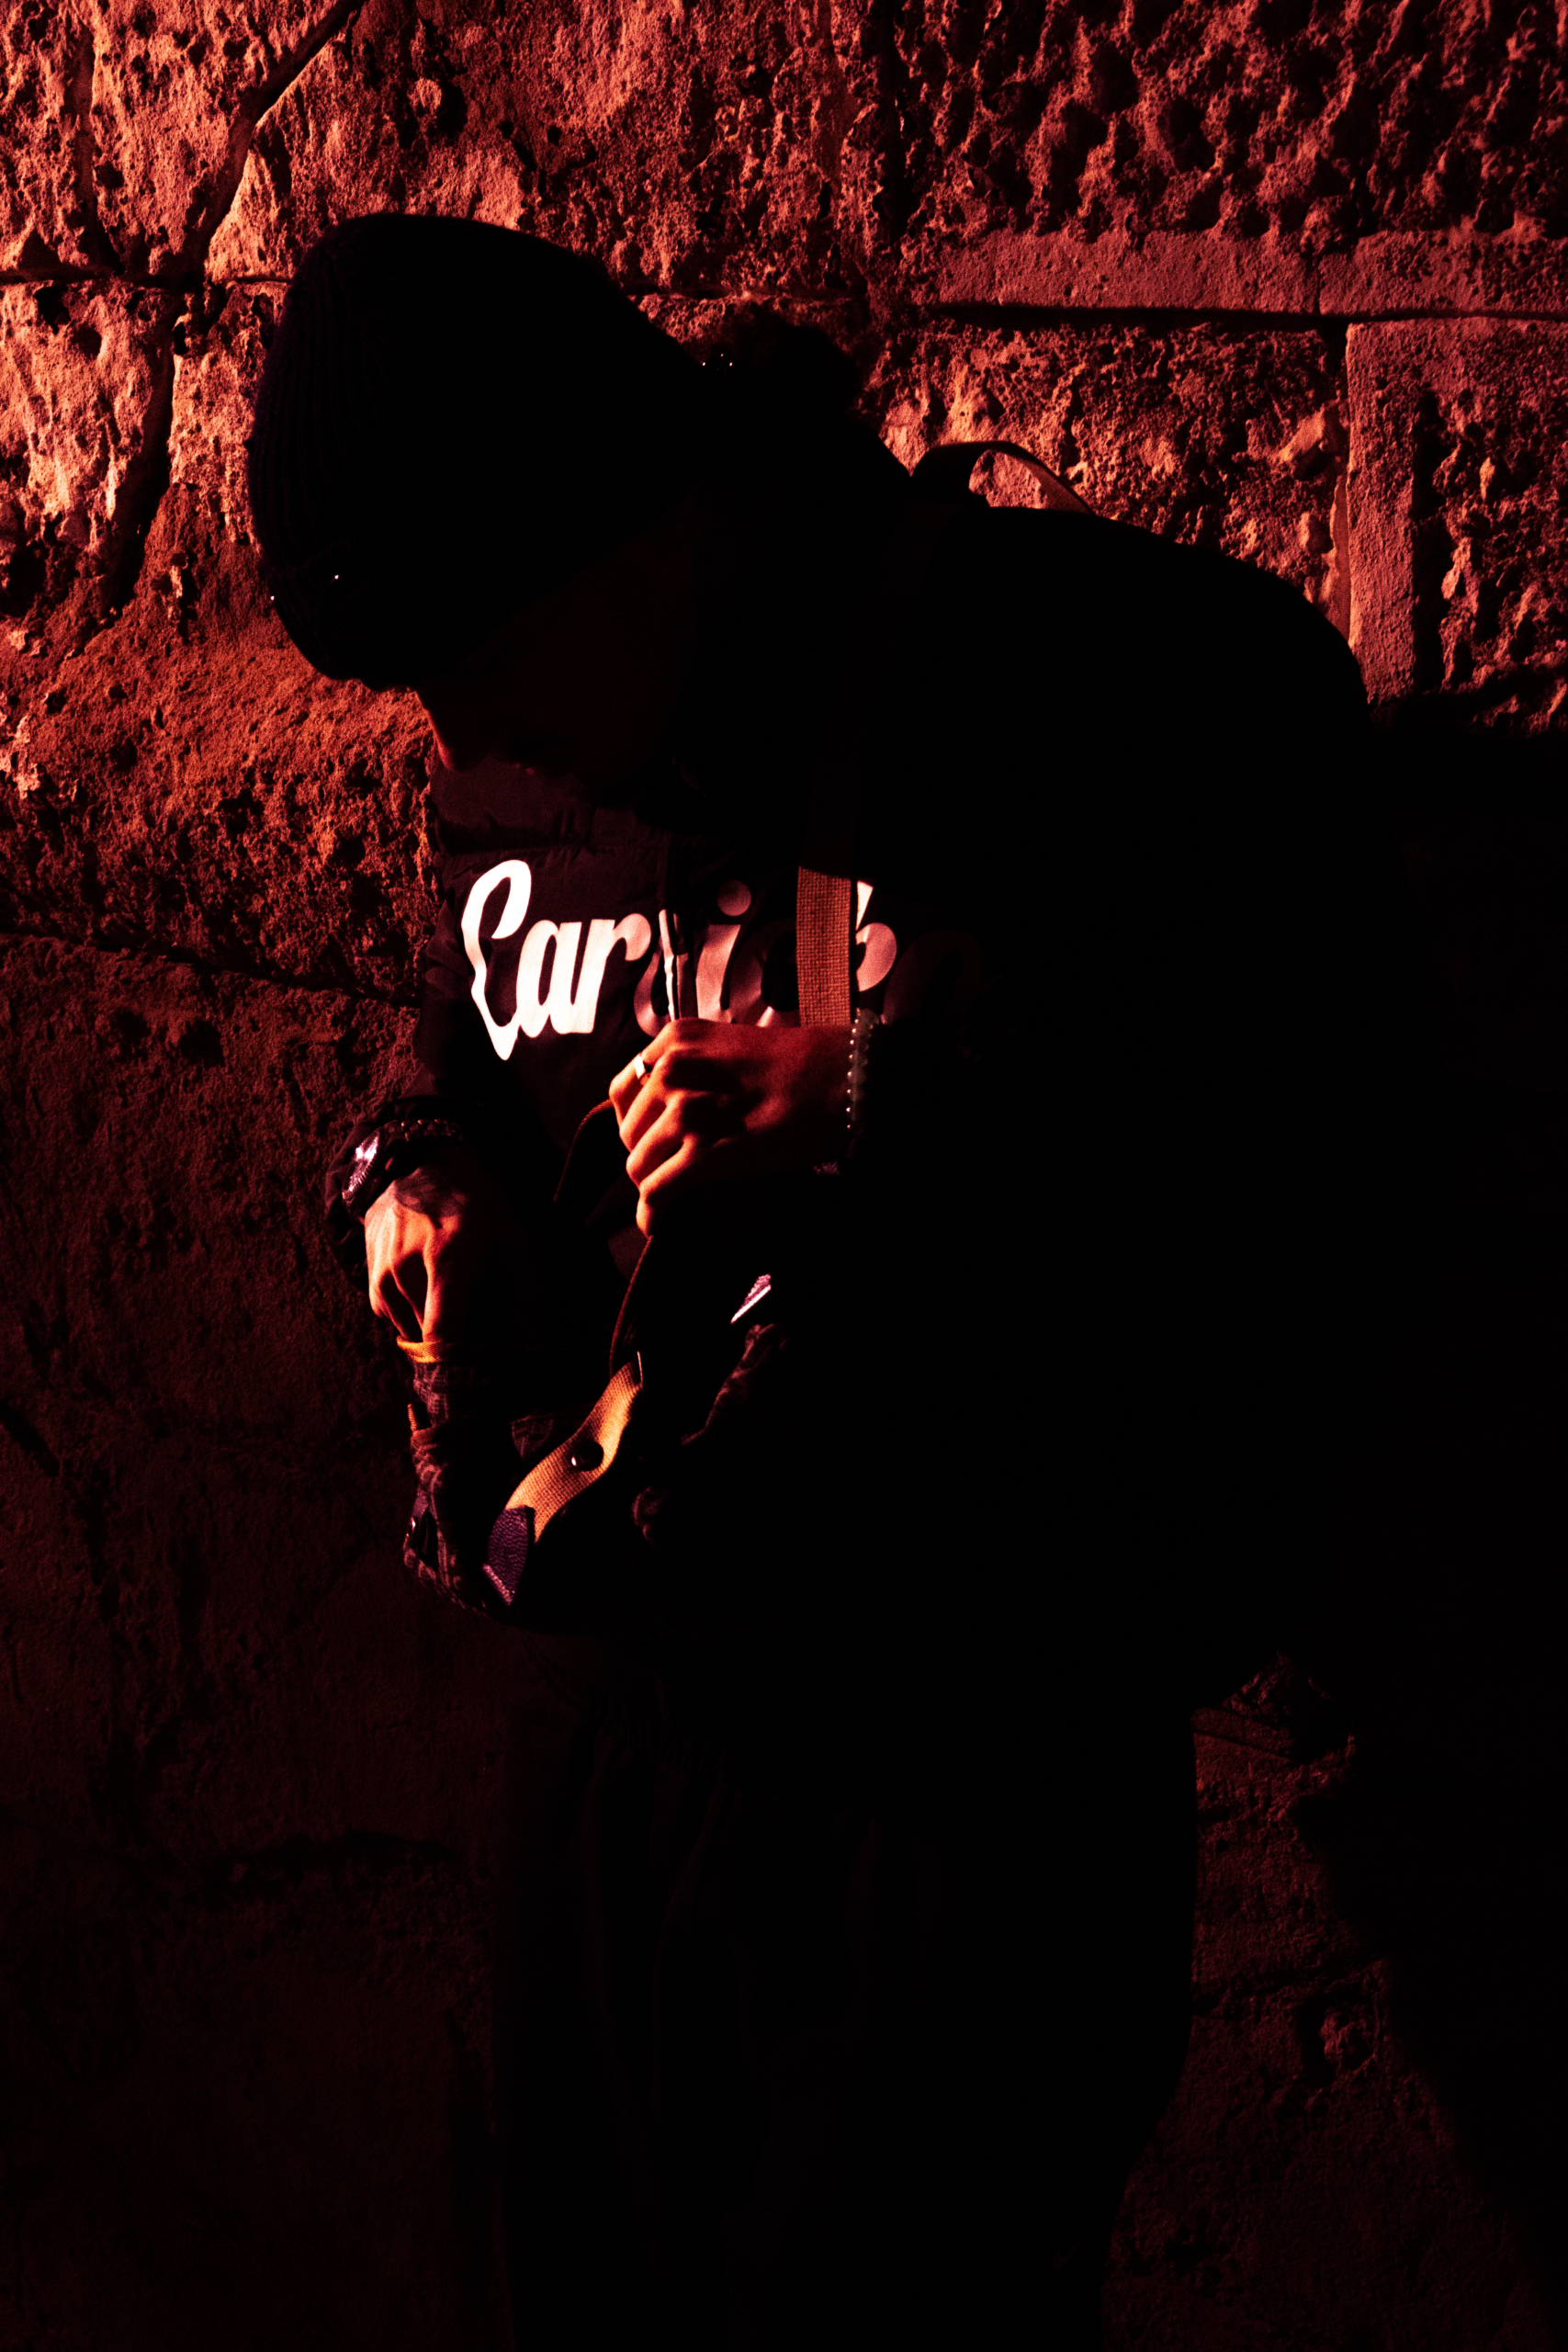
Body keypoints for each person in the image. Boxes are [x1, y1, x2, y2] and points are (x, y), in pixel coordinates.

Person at [246, 213, 1424, 2347]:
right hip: (611, 1746)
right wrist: (411, 1192)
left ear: (645, 522)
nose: (468, 732)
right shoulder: (537, 738)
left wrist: (880, 1103)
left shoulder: (1099, 681)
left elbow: (1310, 1162)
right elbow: (459, 1063)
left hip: (959, 1775)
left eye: (491, 656)